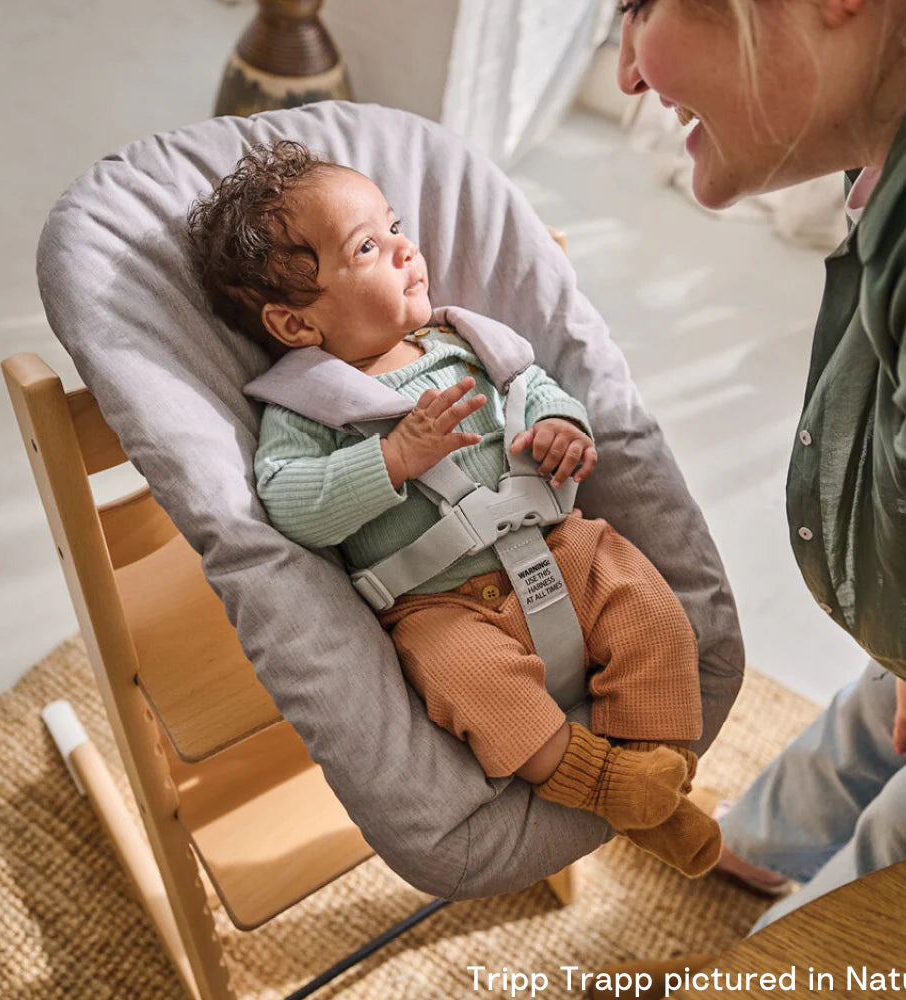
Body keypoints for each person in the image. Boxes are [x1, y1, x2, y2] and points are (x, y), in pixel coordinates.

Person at [187, 141, 723, 877]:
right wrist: (390, 460)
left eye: (396, 225)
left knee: (652, 612)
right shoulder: (304, 404)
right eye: (369, 245)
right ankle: (604, 783)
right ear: (296, 325)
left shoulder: (459, 338)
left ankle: (653, 768)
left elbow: (532, 385)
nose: (406, 249)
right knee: (472, 688)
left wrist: (562, 426)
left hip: (563, 548)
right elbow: (290, 506)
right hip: (442, 603)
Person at [592, 0, 906, 989]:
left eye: (639, 6)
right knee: (882, 701)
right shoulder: (903, 127)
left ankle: (796, 960)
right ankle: (762, 840)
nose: (627, 71)